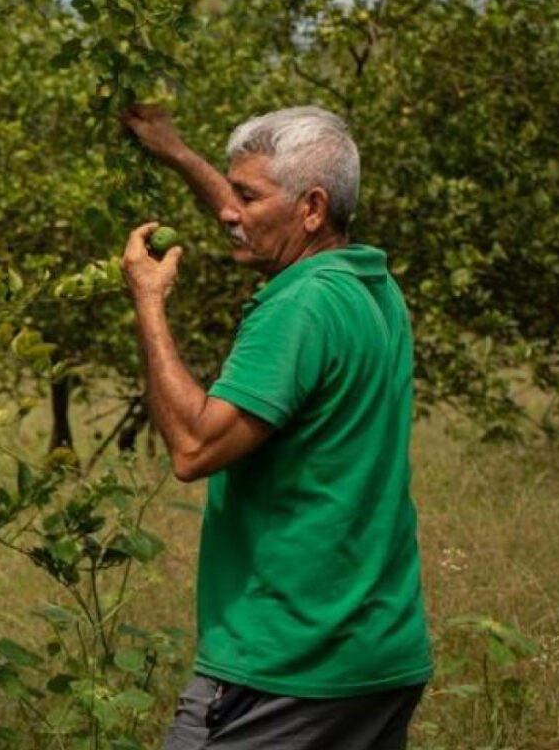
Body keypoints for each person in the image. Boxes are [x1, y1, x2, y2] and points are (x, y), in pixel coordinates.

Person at [119, 104, 432, 750]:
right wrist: (177, 153)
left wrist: (148, 304)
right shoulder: (370, 286)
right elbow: (257, 224)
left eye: (247, 196)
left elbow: (193, 446)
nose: (230, 213)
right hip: (377, 655)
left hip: (287, 663)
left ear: (312, 207)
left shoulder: (297, 310)